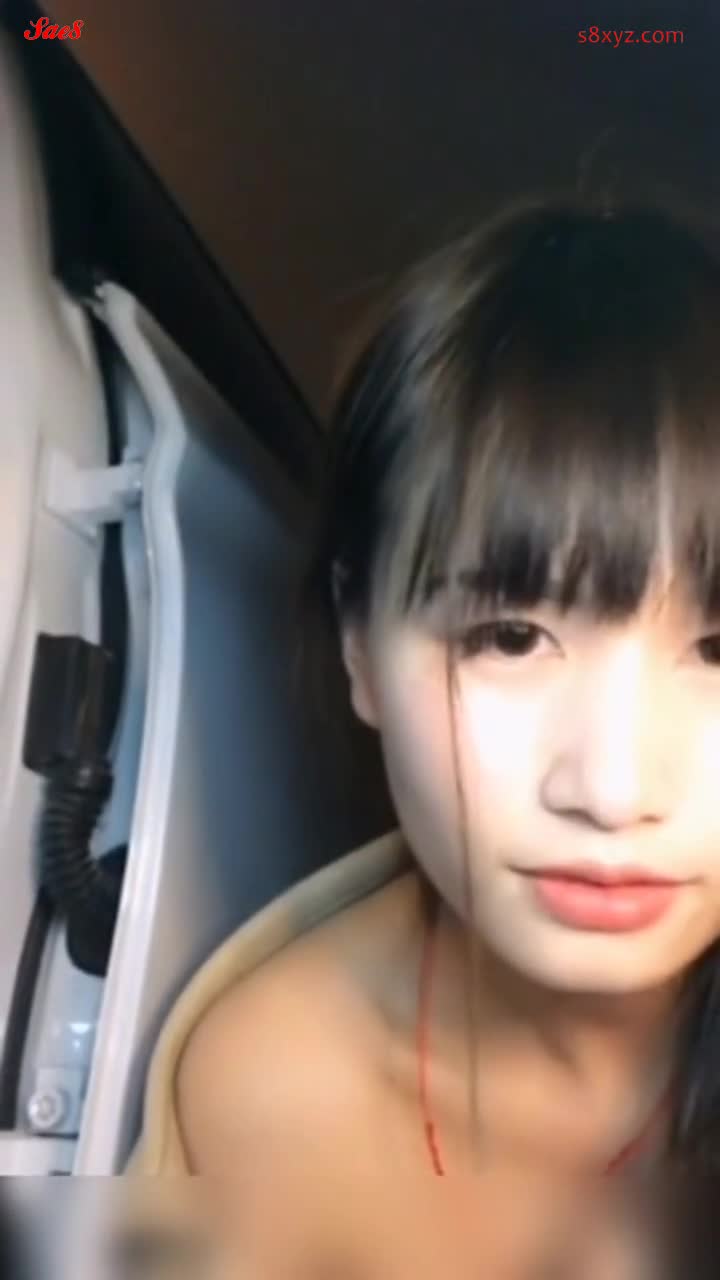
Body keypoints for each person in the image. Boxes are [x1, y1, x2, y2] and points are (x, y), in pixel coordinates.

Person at [130, 191, 720, 1276]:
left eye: (717, 651)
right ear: (359, 647)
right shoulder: (272, 1098)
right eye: (509, 637)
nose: (614, 787)